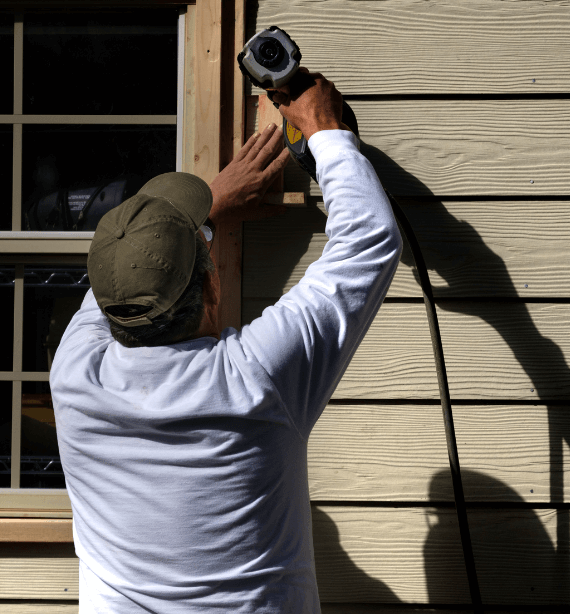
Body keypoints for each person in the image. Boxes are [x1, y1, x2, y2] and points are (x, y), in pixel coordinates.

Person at [50, 71, 402, 613]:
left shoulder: (73, 371)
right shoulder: (255, 378)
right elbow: (369, 239)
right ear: (213, 284)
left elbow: (125, 280)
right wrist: (325, 129)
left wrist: (209, 207)